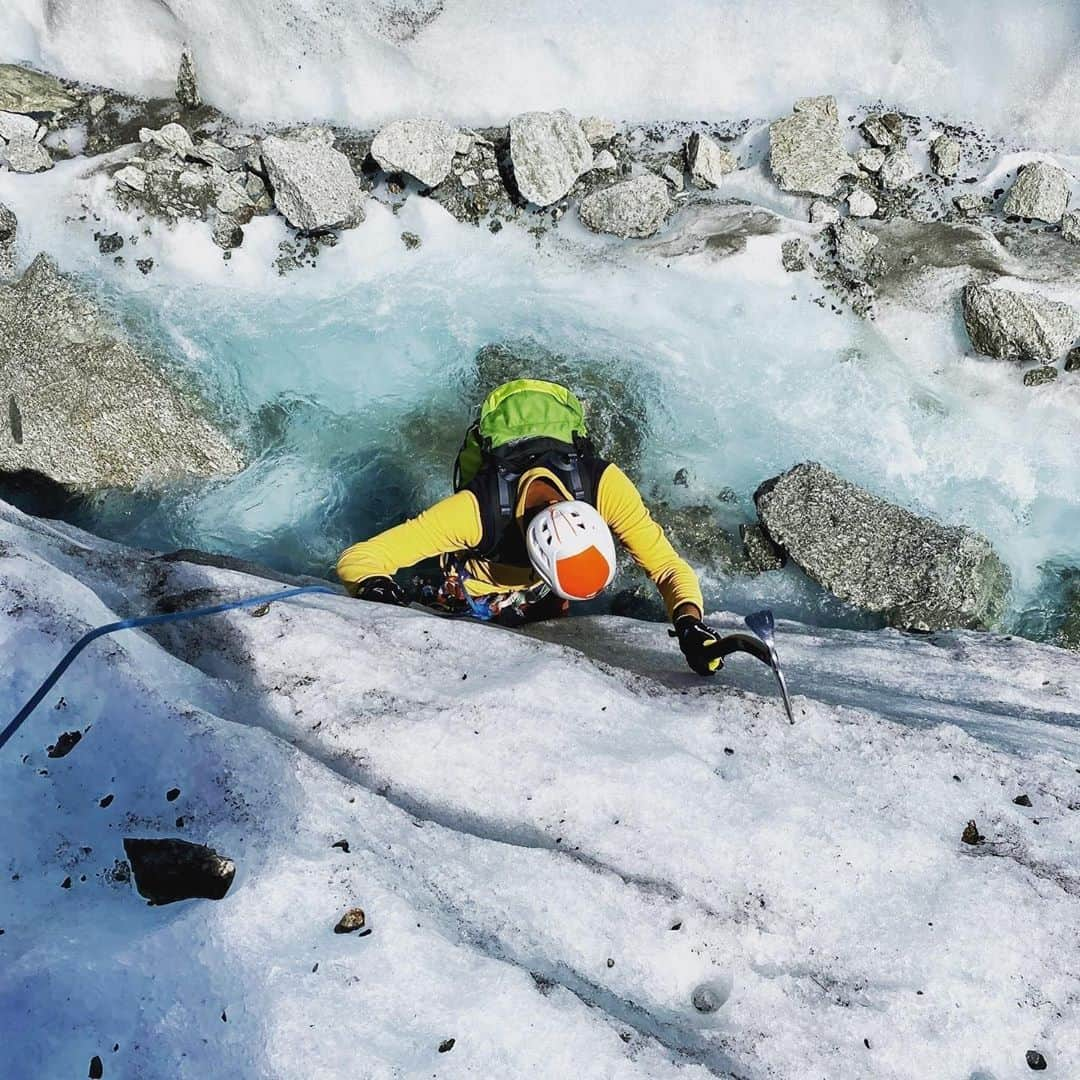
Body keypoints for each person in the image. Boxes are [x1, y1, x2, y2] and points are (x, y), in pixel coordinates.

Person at [336, 378, 728, 676]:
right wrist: (378, 591)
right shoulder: (477, 513)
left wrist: (690, 624)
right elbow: (361, 558)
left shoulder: (604, 485)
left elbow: (665, 567)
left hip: (544, 588)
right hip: (476, 590)